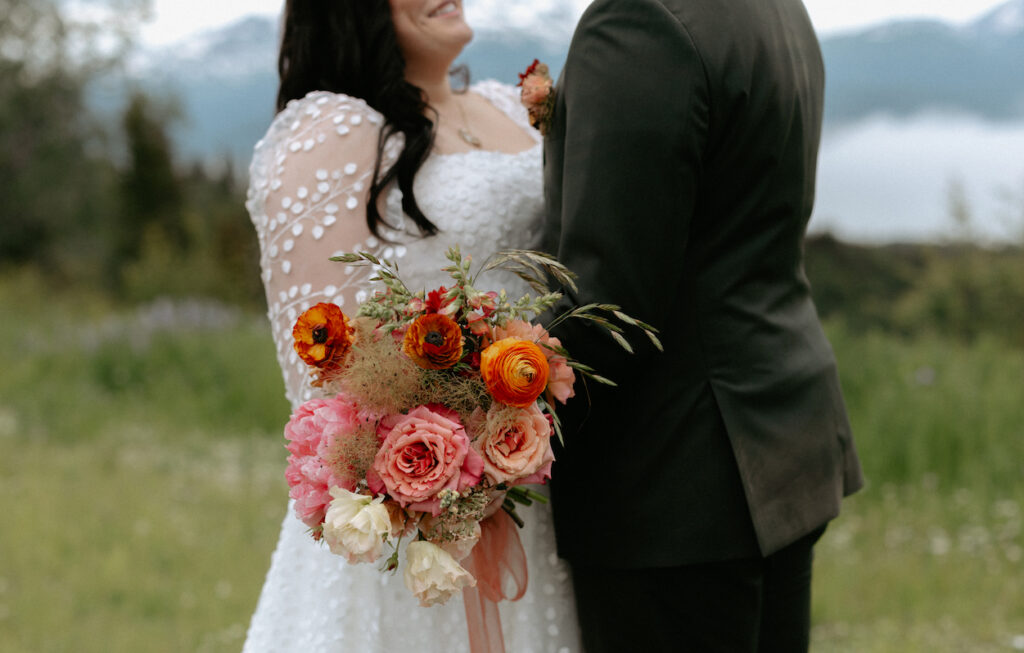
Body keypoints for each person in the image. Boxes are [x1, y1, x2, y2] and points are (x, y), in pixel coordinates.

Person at [242, 1, 581, 650]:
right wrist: (450, 450)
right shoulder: (331, 132)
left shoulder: (507, 106)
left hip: (539, 495)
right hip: (419, 520)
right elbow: (322, 375)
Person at [540, 0, 864, 651]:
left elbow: (609, 311)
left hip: (673, 482)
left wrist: (482, 398)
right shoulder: (776, 10)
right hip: (780, 441)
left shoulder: (638, 20)